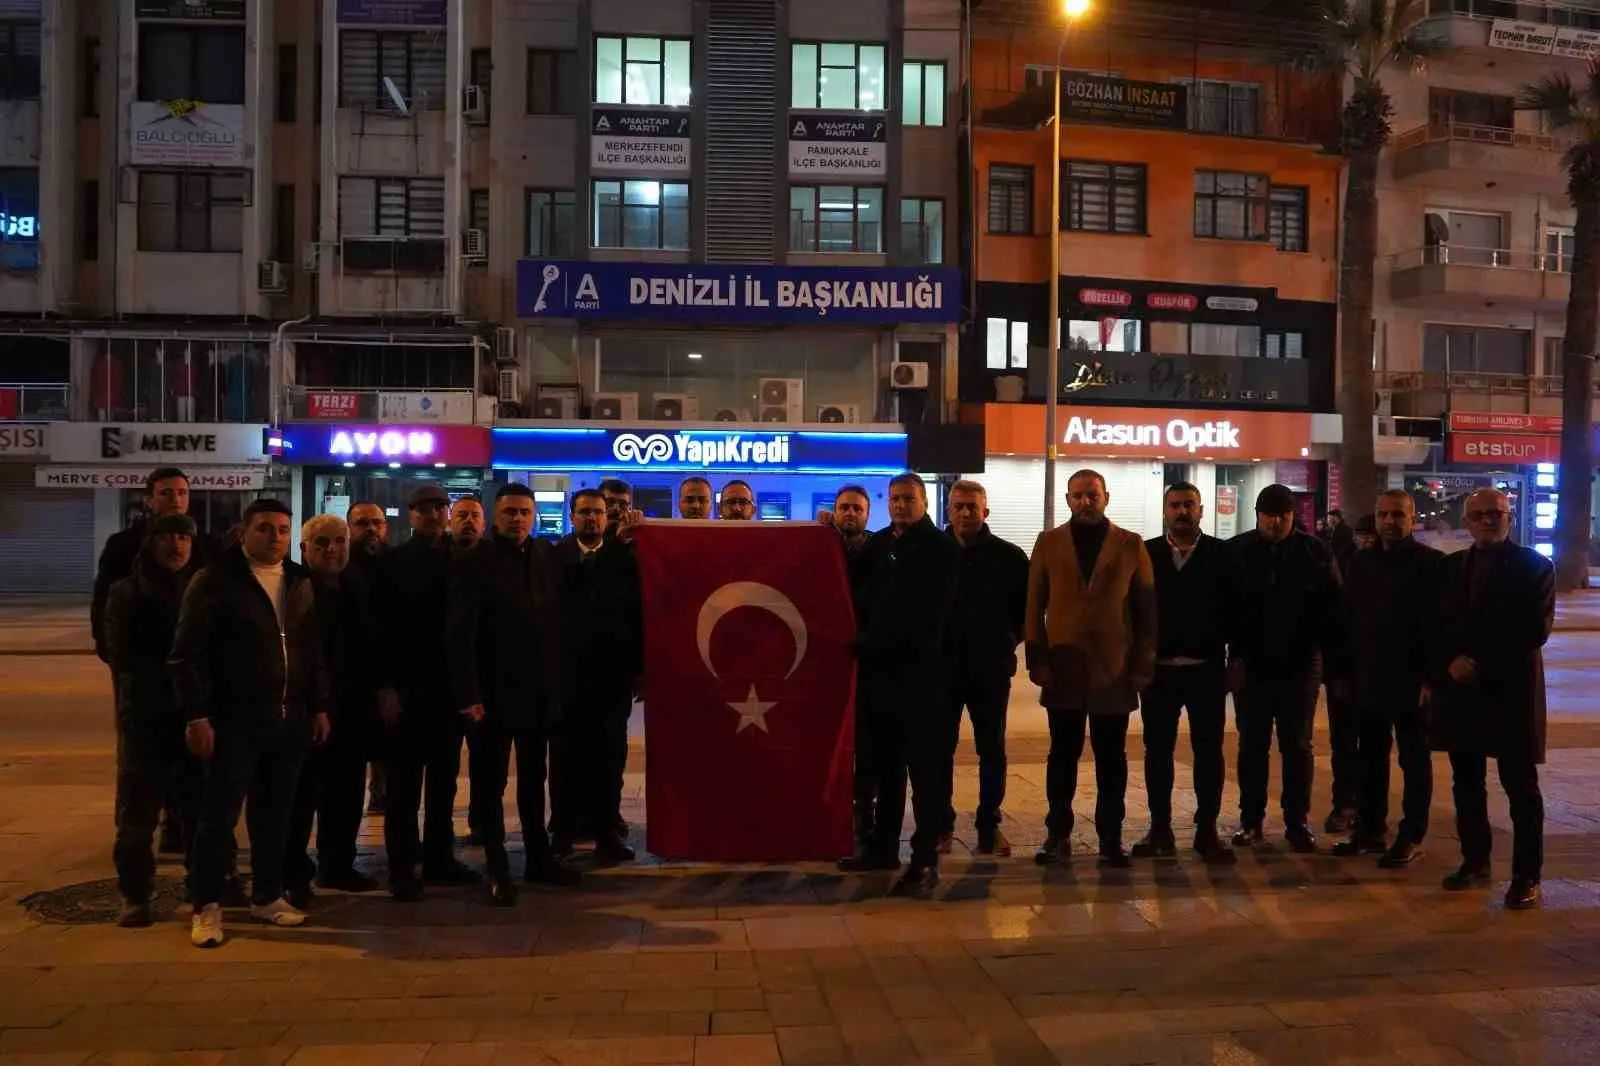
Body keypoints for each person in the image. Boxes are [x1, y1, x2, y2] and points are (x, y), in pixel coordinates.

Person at [170, 498, 332, 948]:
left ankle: (267, 895)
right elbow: (186, 655)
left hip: (288, 720)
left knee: (274, 815)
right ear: (244, 532)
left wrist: (318, 706)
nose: (274, 537)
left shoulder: (300, 581)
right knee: (218, 818)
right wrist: (197, 714)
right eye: (264, 528)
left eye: (282, 529)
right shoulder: (216, 581)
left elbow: (311, 650)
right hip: (232, 720)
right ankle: (207, 906)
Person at [450, 483, 577, 904]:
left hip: (538, 692)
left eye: (525, 512)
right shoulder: (474, 562)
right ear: (496, 516)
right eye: (510, 513)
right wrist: (470, 693)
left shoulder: (546, 556)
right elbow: (461, 633)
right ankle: (497, 865)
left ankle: (538, 858)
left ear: (534, 515)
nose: (518, 519)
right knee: (489, 782)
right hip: (492, 695)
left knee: (533, 778)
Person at [1426, 488, 1553, 910]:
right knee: (1466, 785)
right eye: (1478, 515)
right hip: (1463, 696)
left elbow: (1531, 629)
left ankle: (1526, 875)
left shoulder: (1535, 567)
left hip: (1511, 694)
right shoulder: (1448, 568)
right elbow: (1434, 625)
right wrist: (1447, 665)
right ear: (1466, 522)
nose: (1486, 520)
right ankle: (1475, 861)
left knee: (1521, 789)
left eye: (1494, 513)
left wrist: (1475, 659)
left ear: (1509, 517)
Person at [1026, 470, 1156, 868]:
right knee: (1061, 755)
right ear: (1068, 500)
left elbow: (1146, 612)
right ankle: (1057, 833)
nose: (1086, 502)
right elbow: (1034, 606)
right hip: (1063, 670)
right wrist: (1037, 659)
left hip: (1112, 671)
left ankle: (1110, 837)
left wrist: (1141, 667)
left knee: (1111, 758)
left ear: (1106, 497)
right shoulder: (1048, 543)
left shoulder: (1130, 544)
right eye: (1079, 495)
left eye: (1092, 495)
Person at [839, 473, 959, 898]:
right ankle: (882, 848)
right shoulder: (879, 545)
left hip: (922, 680)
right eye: (894, 498)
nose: (900, 505)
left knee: (925, 775)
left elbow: (929, 617)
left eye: (908, 498)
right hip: (879, 680)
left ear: (925, 502)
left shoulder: (941, 550)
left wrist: (870, 642)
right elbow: (850, 588)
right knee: (884, 769)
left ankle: (924, 859)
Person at [93, 467, 210, 856]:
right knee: (137, 758)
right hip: (140, 672)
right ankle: (133, 832)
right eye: (166, 493)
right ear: (149, 499)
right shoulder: (123, 546)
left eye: (181, 492)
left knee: (191, 760)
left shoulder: (202, 545)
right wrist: (114, 657)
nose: (174, 499)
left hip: (191, 676)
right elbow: (103, 604)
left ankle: (178, 829)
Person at [372, 484, 477, 901]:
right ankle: (401, 867)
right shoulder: (392, 562)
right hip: (407, 689)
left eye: (440, 508)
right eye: (425, 510)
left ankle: (439, 858)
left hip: (449, 691)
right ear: (411, 515)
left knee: (444, 781)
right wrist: (386, 687)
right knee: (403, 785)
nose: (434, 516)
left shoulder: (463, 560)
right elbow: (379, 632)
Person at [1228, 484, 1346, 853]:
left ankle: (1297, 821)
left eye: (1282, 515)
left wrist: (1330, 658)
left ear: (1294, 516)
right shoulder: (1239, 551)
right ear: (1258, 515)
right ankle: (1251, 819)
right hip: (1252, 662)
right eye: (1268, 514)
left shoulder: (1315, 551)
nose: (1275, 522)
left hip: (1301, 662)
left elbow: (1334, 607)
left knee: (1297, 746)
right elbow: (1222, 607)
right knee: (1252, 745)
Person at [104, 513, 203, 927]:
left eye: (184, 537)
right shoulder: (127, 592)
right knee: (137, 815)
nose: (177, 545)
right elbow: (123, 656)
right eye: (168, 537)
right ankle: (135, 893)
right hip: (146, 718)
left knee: (201, 811)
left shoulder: (203, 589)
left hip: (194, 719)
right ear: (151, 543)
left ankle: (207, 887)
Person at [1335, 490, 1443, 868]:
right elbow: (1349, 621)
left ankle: (1411, 835)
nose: (1389, 521)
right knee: (1370, 758)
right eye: (1383, 515)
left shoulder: (1432, 564)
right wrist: (1345, 672)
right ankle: (1370, 830)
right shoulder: (1360, 562)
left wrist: (1432, 678)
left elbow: (1441, 626)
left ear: (1412, 518)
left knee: (1414, 760)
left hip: (1413, 682)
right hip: (1369, 677)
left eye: (1398, 515)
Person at [284, 514, 383, 909]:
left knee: (345, 792)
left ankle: (338, 865)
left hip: (353, 708)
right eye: (322, 542)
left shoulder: (356, 584)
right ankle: (293, 874)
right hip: (309, 710)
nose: (332, 549)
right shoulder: (294, 588)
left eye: (339, 541)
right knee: (302, 796)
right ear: (305, 548)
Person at [1135, 482, 1235, 864]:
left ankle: (1206, 830)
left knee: (1208, 752)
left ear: (1201, 510)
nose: (1182, 512)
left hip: (1206, 670)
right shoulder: (1146, 555)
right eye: (1175, 505)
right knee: (1156, 751)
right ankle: (1160, 828)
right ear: (1165, 510)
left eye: (1188, 505)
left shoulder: (1221, 555)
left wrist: (1234, 661)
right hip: (1158, 673)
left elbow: (1238, 610)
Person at [549, 489, 642, 863]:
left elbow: (636, 617)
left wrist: (638, 670)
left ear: (607, 518)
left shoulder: (624, 559)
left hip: (611, 681)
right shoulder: (553, 558)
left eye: (598, 513)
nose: (591, 518)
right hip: (565, 681)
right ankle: (563, 834)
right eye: (584, 512)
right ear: (572, 516)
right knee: (565, 761)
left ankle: (607, 835)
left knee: (609, 761)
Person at [941, 480, 1028, 857]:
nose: (964, 513)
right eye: (958, 506)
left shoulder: (1009, 557)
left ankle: (988, 825)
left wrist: (1007, 641)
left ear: (985, 512)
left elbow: (1027, 611)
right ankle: (939, 825)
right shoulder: (931, 553)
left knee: (991, 749)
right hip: (940, 671)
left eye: (972, 507)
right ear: (947, 510)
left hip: (989, 670)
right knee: (937, 750)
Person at [821, 484, 875, 846]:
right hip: (827, 664)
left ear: (868, 513)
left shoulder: (879, 550)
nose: (850, 514)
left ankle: (864, 815)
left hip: (871, 663)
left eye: (856, 508)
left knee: (868, 746)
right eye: (844, 508)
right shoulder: (822, 547)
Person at [345, 501, 389, 815]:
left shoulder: (395, 564)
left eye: (377, 522)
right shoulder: (339, 566)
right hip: (348, 674)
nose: (371, 528)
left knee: (386, 744)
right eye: (363, 523)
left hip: (386, 673)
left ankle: (381, 793)